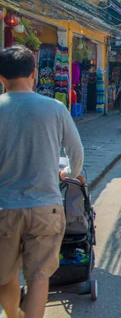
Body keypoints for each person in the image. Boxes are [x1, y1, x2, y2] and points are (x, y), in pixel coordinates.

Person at [0, 45, 85, 318]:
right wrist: (69, 173)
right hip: (45, 207)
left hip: (3, 209)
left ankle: (13, 315)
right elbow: (76, 152)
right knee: (38, 278)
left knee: (5, 277)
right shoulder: (55, 108)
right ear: (34, 73)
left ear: (1, 76)